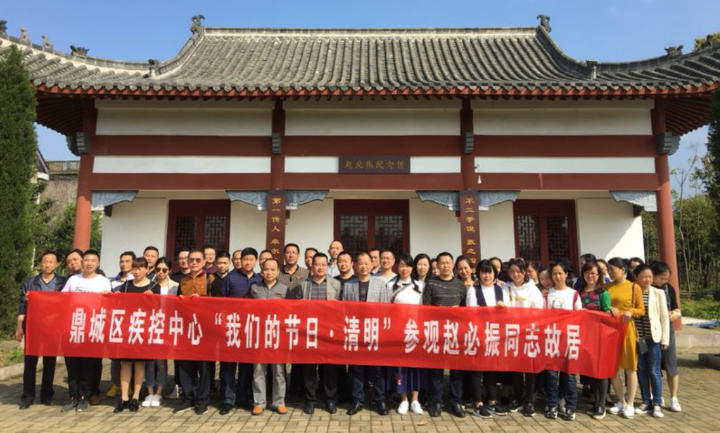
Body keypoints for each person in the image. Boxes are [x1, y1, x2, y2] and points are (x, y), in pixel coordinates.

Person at [60, 249, 112, 413]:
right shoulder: (73, 280)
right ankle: (73, 397)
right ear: (82, 262)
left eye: (93, 260)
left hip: (92, 329)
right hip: (73, 328)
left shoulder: (103, 281)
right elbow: (61, 299)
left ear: (98, 263)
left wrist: (108, 296)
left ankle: (84, 396)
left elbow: (108, 304)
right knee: (72, 365)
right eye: (87, 260)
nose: (89, 263)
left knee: (87, 365)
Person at [341, 252, 391, 416]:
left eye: (366, 263)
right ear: (355, 266)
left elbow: (386, 309)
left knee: (377, 369)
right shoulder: (349, 285)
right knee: (356, 369)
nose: (363, 266)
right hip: (355, 332)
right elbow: (344, 310)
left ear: (372, 265)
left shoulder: (380, 284)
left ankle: (380, 400)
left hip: (374, 332)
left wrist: (383, 332)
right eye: (360, 263)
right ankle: (357, 400)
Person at [292, 253, 341, 415]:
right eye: (317, 264)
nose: (320, 267)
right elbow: (296, 309)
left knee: (329, 368)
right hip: (310, 332)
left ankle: (330, 399)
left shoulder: (335, 284)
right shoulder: (303, 285)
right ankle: (310, 400)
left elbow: (342, 308)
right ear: (311, 266)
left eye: (323, 264)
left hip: (328, 332)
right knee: (309, 368)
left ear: (327, 266)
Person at [17, 251, 67, 409]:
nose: (47, 264)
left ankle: (46, 395)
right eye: (45, 261)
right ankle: (28, 396)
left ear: (56, 264)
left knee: (49, 362)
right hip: (33, 327)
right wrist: (19, 327)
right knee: (30, 362)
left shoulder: (62, 283)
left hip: (53, 327)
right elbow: (22, 306)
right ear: (40, 263)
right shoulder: (30, 282)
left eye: (51, 262)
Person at [422, 252, 466, 418]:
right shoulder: (431, 283)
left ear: (453, 265)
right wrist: (439, 311)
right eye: (442, 263)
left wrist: (458, 311)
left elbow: (466, 310)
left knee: (457, 370)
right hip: (437, 333)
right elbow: (426, 308)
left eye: (448, 263)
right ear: (437, 266)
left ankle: (456, 402)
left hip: (456, 333)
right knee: (436, 371)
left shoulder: (460, 285)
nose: (445, 266)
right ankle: (436, 402)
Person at [113, 258, 159, 413]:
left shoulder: (154, 286)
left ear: (147, 269)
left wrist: (152, 298)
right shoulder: (126, 285)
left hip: (143, 329)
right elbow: (119, 306)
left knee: (139, 364)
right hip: (127, 329)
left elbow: (158, 309)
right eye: (134, 268)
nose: (137, 271)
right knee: (125, 363)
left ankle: (135, 397)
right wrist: (115, 296)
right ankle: (124, 398)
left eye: (140, 268)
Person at [219, 248, 262, 411]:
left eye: (251, 259)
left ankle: (242, 397)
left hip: (250, 328)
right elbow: (221, 302)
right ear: (240, 260)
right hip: (232, 326)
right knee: (228, 366)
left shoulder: (260, 279)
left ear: (256, 261)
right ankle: (228, 399)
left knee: (246, 366)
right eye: (245, 259)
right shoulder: (230, 278)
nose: (248, 262)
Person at [173, 249, 214, 415]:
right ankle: (188, 398)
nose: (194, 263)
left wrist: (202, 300)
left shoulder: (211, 279)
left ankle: (203, 400)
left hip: (205, 330)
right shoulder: (182, 281)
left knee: (204, 367)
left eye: (198, 260)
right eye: (191, 260)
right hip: (186, 329)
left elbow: (220, 303)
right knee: (185, 366)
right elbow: (176, 304)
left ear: (204, 262)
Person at [465, 259, 508, 418]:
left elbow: (509, 312)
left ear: (495, 274)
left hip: (495, 335)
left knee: (491, 370)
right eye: (483, 272)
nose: (487, 275)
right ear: (478, 274)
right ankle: (478, 404)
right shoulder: (473, 290)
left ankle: (492, 401)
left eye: (489, 272)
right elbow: (471, 312)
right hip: (479, 334)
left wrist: (503, 309)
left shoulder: (501, 290)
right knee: (477, 370)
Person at [248, 258, 291, 415]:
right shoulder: (254, 288)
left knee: (278, 370)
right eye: (266, 269)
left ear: (278, 272)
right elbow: (246, 308)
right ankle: (259, 402)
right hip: (259, 334)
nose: (269, 272)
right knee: (259, 369)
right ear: (262, 271)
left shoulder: (285, 289)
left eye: (273, 270)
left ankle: (279, 401)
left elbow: (290, 311)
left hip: (277, 334)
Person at [606, 257, 645, 419]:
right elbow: (602, 306)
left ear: (623, 270)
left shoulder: (634, 287)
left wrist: (631, 312)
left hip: (628, 329)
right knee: (612, 368)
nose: (610, 272)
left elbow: (641, 309)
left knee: (630, 367)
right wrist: (609, 307)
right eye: (608, 270)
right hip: (610, 330)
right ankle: (621, 401)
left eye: (612, 270)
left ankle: (630, 403)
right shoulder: (606, 287)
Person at [505, 258, 544, 417]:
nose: (515, 275)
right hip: (513, 334)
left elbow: (538, 310)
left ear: (524, 273)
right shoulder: (506, 288)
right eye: (512, 271)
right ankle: (517, 398)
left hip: (529, 333)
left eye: (518, 271)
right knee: (516, 369)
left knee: (529, 369)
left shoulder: (532, 289)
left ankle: (529, 400)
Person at [389, 254, 426, 415]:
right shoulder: (390, 286)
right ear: (397, 267)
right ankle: (403, 399)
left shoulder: (420, 286)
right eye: (401, 265)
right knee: (400, 365)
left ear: (412, 268)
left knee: (416, 365)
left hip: (415, 331)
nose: (404, 269)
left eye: (408, 266)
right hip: (398, 331)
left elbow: (424, 310)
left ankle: (415, 400)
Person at [544, 262, 582, 421]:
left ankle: (570, 406)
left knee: (569, 375)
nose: (557, 276)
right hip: (552, 339)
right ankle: (552, 404)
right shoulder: (548, 294)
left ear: (566, 274)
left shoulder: (574, 294)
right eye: (554, 273)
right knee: (552, 375)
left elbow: (580, 317)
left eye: (560, 273)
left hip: (569, 339)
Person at [633, 264, 669, 418]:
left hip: (654, 338)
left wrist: (665, 339)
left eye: (650, 277)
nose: (647, 280)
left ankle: (657, 403)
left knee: (654, 370)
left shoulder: (658, 293)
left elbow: (664, 317)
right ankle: (646, 400)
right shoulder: (633, 292)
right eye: (644, 277)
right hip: (638, 338)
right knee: (641, 369)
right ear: (636, 277)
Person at [578, 261, 612, 420]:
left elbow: (607, 314)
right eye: (587, 273)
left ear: (599, 275)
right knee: (590, 370)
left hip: (599, 336)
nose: (590, 276)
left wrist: (589, 314)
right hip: (583, 336)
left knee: (601, 371)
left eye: (593, 273)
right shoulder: (578, 292)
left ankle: (601, 404)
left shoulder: (603, 293)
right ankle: (595, 400)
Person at [143, 257, 178, 408]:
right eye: (158, 269)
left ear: (170, 270)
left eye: (164, 269)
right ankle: (149, 391)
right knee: (149, 361)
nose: (161, 272)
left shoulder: (175, 286)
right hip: (149, 325)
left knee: (161, 361)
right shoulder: (148, 284)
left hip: (166, 326)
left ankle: (159, 392)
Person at [650, 261, 682, 412]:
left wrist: (675, 313)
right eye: (662, 278)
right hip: (651, 330)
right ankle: (656, 395)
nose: (664, 281)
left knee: (671, 365)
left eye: (666, 278)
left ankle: (674, 397)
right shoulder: (646, 289)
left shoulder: (668, 288)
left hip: (667, 330)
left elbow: (676, 308)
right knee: (653, 366)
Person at [107, 251, 136, 399]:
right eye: (122, 261)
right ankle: (115, 383)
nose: (124, 264)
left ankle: (131, 385)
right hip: (117, 322)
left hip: (133, 323)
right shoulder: (112, 282)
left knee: (131, 357)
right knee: (115, 356)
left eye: (127, 261)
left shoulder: (136, 280)